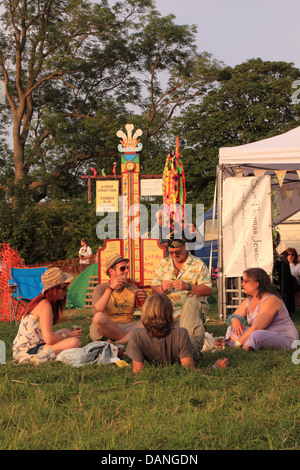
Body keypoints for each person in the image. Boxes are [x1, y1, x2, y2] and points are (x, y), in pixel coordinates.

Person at [126, 293, 229, 374]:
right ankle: (201, 322)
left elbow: (138, 372)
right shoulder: (181, 333)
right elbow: (189, 371)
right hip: (184, 343)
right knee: (191, 302)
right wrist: (215, 367)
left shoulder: (136, 334)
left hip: (172, 338)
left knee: (189, 308)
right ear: (170, 313)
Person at [151, 234, 212, 362]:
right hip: (168, 314)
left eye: (177, 252)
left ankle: (191, 353)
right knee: (153, 304)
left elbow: (208, 290)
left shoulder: (198, 264)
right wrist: (162, 288)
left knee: (191, 302)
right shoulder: (164, 264)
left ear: (185, 246)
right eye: (171, 252)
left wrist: (188, 286)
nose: (174, 256)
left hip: (190, 314)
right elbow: (153, 289)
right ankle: (166, 353)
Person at [13, 267, 82, 363]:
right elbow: (49, 339)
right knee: (75, 342)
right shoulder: (45, 305)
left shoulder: (43, 301)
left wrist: (66, 334)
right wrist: (68, 335)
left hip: (35, 344)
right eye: (64, 288)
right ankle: (41, 357)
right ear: (54, 289)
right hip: (28, 351)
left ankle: (49, 352)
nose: (67, 291)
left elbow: (47, 337)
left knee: (65, 331)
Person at [225, 267, 299, 351]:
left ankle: (244, 346)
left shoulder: (271, 300)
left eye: (246, 281)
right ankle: (247, 346)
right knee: (231, 329)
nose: (242, 284)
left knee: (256, 335)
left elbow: (257, 327)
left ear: (257, 283)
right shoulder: (248, 301)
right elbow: (235, 315)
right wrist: (235, 320)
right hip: (263, 334)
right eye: (242, 281)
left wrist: (237, 343)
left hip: (284, 338)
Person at [90, 253, 147, 344]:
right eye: (122, 269)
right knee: (98, 317)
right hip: (107, 326)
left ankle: (118, 341)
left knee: (149, 322)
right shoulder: (100, 288)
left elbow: (146, 313)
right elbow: (96, 311)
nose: (126, 271)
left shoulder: (132, 288)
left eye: (127, 268)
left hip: (127, 326)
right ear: (112, 271)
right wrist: (110, 289)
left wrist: (145, 300)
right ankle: (128, 339)